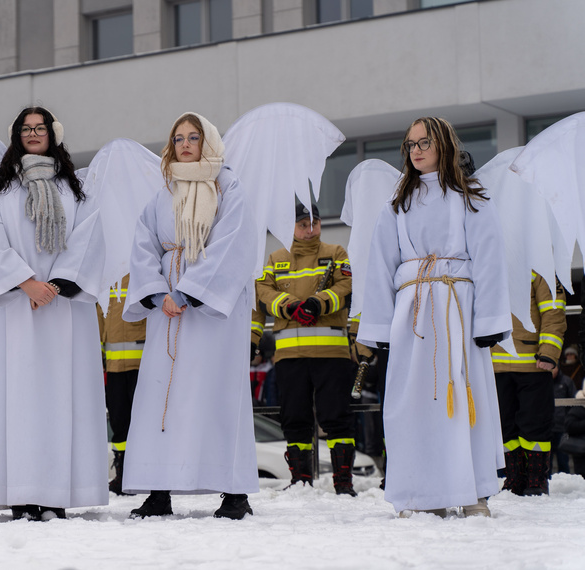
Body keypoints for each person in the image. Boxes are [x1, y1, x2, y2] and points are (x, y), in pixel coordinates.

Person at [357, 117, 512, 518]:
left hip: (456, 309)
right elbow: (379, 266)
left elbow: (490, 259)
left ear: (443, 143)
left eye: (424, 142)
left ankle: (473, 491)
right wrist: (377, 328)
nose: (417, 150)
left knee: (462, 398)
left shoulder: (469, 197)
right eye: (410, 144)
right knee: (413, 403)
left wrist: (489, 321)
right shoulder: (398, 204)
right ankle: (423, 494)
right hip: (412, 315)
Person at [0, 106, 107, 521]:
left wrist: (59, 284)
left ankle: (57, 495)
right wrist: (25, 282)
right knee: (17, 402)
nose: (33, 134)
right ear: (16, 136)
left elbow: (91, 232)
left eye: (39, 128)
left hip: (62, 309)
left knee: (61, 399)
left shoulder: (75, 187)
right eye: (25, 129)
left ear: (52, 135)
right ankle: (22, 496)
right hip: (13, 311)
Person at [122, 112, 258, 520]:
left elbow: (234, 243)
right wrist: (158, 292)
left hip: (211, 313)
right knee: (160, 397)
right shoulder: (164, 192)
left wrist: (188, 291)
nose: (184, 143)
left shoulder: (228, 186)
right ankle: (159, 489)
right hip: (168, 310)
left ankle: (234, 492)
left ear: (208, 142)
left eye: (193, 136)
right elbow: (143, 243)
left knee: (218, 393)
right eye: (178, 137)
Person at [253, 203, 358, 496]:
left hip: (331, 354)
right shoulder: (276, 258)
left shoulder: (336, 253)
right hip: (290, 357)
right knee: (294, 418)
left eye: (314, 223)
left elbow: (346, 288)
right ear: (292, 227)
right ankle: (300, 481)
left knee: (337, 417)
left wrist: (317, 303)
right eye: (302, 224)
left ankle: (343, 482)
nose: (309, 229)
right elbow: (262, 292)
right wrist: (289, 306)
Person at [491, 273, 566, 496]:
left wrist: (549, 352)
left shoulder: (541, 266)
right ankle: (514, 478)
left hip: (534, 365)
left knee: (535, 426)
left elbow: (554, 312)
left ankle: (536, 480)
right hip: (494, 365)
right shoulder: (488, 261)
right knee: (505, 428)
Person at [96, 274, 146, 495]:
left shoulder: (140, 268)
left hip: (143, 364)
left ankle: (146, 474)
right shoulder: (104, 275)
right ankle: (123, 473)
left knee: (144, 423)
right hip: (114, 367)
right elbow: (98, 317)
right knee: (119, 423)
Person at [551, 363, 577, 475]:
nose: (552, 371)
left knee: (563, 460)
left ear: (558, 367)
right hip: (547, 428)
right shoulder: (543, 382)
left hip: (562, 427)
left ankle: (565, 484)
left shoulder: (567, 382)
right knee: (547, 461)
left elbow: (574, 403)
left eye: (554, 368)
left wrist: (569, 421)